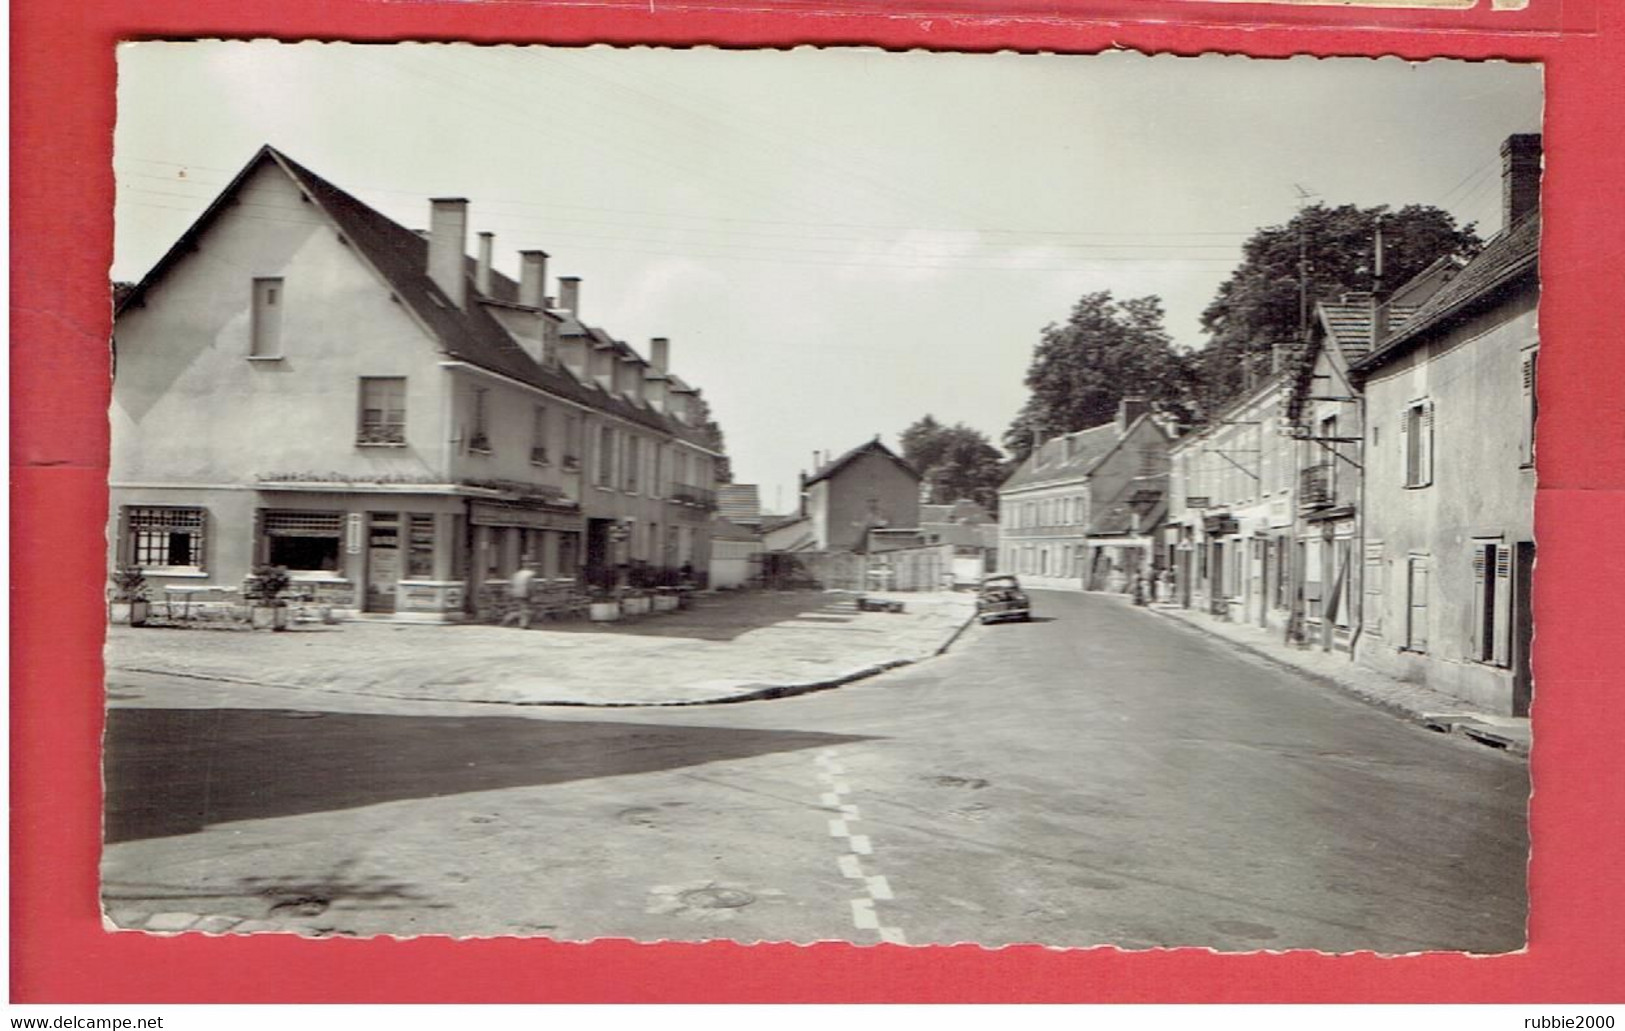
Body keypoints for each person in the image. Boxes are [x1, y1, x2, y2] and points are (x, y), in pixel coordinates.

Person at [507, 561, 538, 629]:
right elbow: (530, 585)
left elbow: (511, 583)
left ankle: (521, 623)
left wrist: (511, 592)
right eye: (536, 568)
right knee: (525, 609)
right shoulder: (530, 575)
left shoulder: (517, 574)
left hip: (516, 593)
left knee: (522, 608)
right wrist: (533, 595)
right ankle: (511, 619)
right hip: (524, 594)